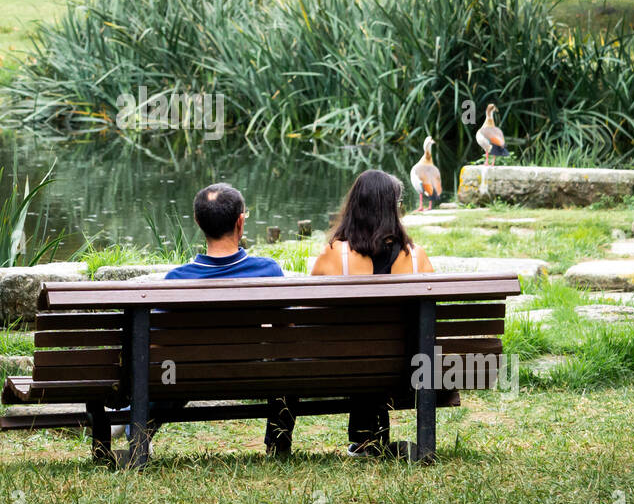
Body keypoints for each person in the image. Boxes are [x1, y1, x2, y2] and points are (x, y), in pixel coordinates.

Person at [117, 183, 292, 460]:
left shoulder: (177, 280)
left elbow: (159, 342)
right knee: (286, 360)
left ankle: (138, 431)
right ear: (240, 221)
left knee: (168, 366)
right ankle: (279, 441)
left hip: (188, 374)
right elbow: (286, 332)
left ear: (198, 222)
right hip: (251, 371)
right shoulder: (268, 271)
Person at [311, 169, 434, 457]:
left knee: (361, 348)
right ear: (395, 208)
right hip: (410, 369)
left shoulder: (333, 255)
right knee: (383, 348)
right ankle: (372, 440)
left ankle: (366, 441)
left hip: (346, 368)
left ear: (353, 206)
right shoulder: (417, 257)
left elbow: (309, 311)